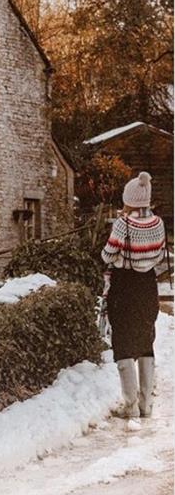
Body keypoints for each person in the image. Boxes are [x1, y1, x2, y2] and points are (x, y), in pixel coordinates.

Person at [101, 171, 166, 419]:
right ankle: (146, 404)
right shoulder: (158, 223)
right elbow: (159, 255)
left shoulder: (123, 224)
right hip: (147, 285)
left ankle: (130, 406)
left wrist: (120, 257)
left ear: (130, 199)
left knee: (123, 343)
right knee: (145, 340)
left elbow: (107, 255)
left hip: (124, 287)